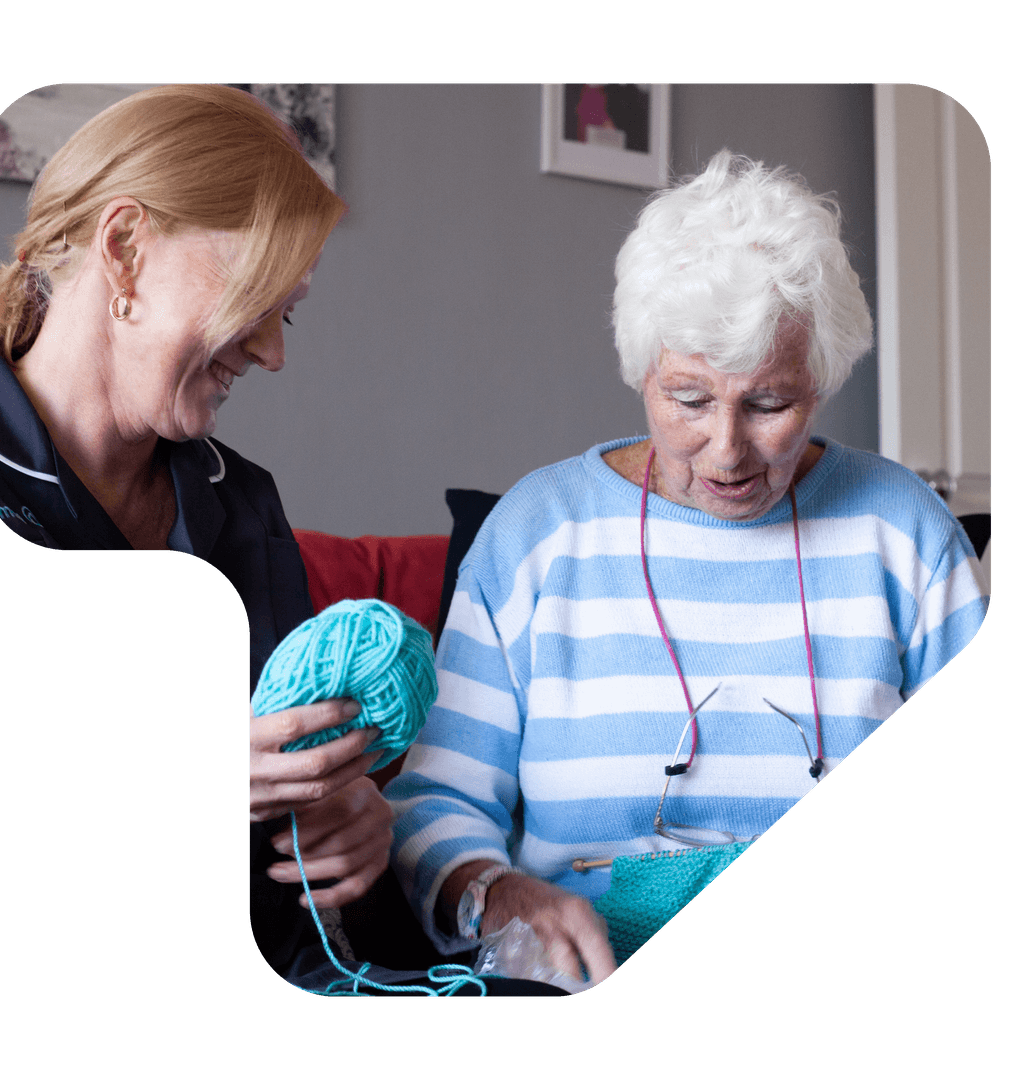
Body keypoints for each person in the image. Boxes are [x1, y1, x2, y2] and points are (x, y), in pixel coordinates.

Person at [386, 150, 990, 988]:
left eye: (769, 403)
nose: (727, 449)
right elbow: (436, 802)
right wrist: (495, 893)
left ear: (819, 381)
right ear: (642, 371)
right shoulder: (538, 534)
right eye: (690, 399)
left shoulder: (905, 536)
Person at [0, 84, 394, 982]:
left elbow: (274, 792)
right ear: (125, 251)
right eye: (258, 298)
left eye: (290, 312)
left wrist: (349, 817)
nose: (276, 353)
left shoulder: (240, 504)